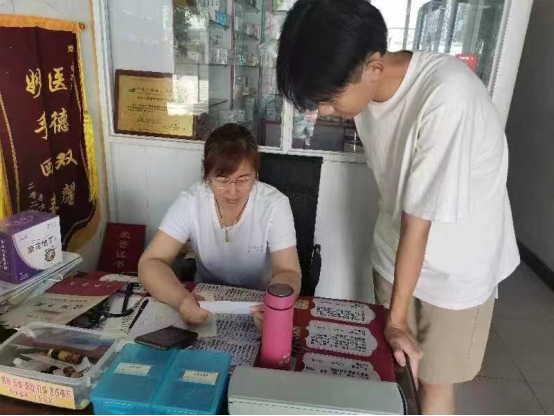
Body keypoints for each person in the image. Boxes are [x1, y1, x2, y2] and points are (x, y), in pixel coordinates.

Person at [276, 1, 519, 414]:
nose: (325, 111)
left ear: (373, 67)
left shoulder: (447, 97)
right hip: (396, 252)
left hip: (457, 270)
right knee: (399, 373)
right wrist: (396, 317)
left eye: (329, 98)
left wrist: (398, 319)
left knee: (434, 382)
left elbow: (419, 222)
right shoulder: (366, 91)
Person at [138, 123, 302, 327]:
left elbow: (288, 271)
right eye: (222, 180)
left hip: (259, 305)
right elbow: (151, 262)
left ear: (256, 174)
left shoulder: (274, 204)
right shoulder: (191, 202)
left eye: (243, 179)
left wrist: (275, 307)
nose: (232, 192)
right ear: (207, 176)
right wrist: (180, 299)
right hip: (204, 303)